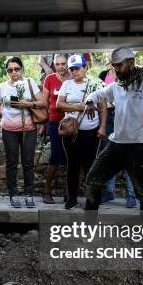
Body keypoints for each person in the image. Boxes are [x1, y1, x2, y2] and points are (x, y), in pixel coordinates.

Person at [84, 48, 143, 210]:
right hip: (116, 145)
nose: (116, 69)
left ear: (131, 62)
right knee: (93, 180)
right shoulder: (117, 85)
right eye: (114, 66)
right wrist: (89, 102)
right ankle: (90, 230)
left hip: (140, 146)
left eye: (119, 65)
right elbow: (96, 94)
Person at [0, 57, 45, 208]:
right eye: (10, 70)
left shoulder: (30, 83)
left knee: (28, 162)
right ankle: (13, 195)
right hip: (9, 130)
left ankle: (29, 195)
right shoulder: (3, 87)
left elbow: (42, 102)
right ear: (7, 71)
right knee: (12, 163)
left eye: (17, 69)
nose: (14, 72)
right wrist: (7, 119)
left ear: (22, 69)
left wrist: (26, 104)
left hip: (28, 129)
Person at [56, 54, 106, 209]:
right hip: (72, 133)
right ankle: (72, 198)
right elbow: (59, 105)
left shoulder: (96, 84)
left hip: (91, 132)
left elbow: (103, 108)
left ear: (86, 67)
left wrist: (102, 127)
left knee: (91, 166)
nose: (74, 71)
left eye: (77, 68)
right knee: (72, 166)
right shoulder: (67, 85)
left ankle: (92, 200)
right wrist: (79, 106)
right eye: (71, 69)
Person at [98, 52, 136, 207]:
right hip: (109, 118)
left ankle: (132, 195)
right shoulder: (103, 75)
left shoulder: (132, 76)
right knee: (109, 155)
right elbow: (102, 99)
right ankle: (109, 192)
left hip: (126, 118)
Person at [41, 54, 73, 204]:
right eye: (57, 64)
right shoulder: (49, 79)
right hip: (54, 122)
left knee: (71, 158)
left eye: (63, 63)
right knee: (55, 157)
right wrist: (43, 123)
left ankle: (69, 193)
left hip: (72, 123)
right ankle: (46, 191)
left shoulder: (74, 77)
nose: (61, 66)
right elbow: (45, 102)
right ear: (54, 65)